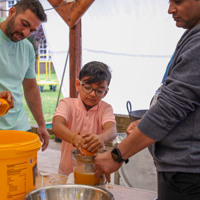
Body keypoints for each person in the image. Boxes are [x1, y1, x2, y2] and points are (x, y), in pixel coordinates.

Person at [94, 1, 200, 199]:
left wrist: (117, 155)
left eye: (177, 1)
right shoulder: (192, 34)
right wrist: (145, 122)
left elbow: (169, 109)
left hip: (189, 176)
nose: (170, 9)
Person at [0, 0, 49, 151]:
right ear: (12, 12)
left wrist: (41, 124)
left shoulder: (27, 48)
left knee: (25, 173)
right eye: (24, 23)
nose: (26, 33)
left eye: (32, 30)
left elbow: (31, 88)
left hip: (19, 126)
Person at [52, 61, 116, 175]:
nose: (92, 94)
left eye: (99, 91)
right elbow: (56, 127)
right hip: (67, 172)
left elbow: (112, 131)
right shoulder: (67, 104)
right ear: (78, 85)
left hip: (95, 171)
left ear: (105, 92)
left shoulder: (106, 109)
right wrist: (75, 139)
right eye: (88, 87)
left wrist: (101, 138)